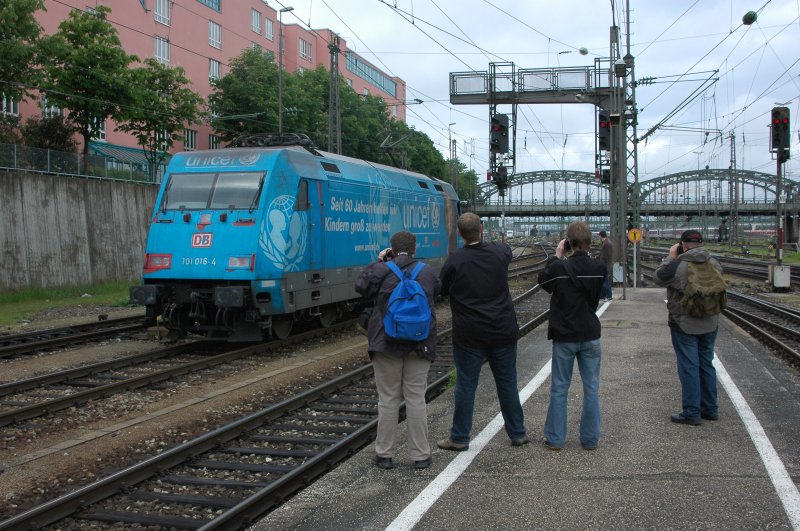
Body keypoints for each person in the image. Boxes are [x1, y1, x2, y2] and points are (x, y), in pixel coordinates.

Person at [437, 212, 529, 451]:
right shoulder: (499, 252)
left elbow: (442, 289)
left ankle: (459, 437)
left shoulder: (454, 261)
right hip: (502, 330)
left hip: (469, 335)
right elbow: (506, 250)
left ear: (459, 234)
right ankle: (517, 433)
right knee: (507, 383)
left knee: (467, 385)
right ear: (481, 229)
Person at [355, 231, 440, 470]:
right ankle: (421, 456)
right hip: (418, 343)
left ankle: (384, 454)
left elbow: (361, 286)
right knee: (416, 399)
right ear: (415, 248)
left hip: (386, 344)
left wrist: (380, 261)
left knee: (388, 400)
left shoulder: (382, 269)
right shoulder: (427, 271)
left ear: (391, 248)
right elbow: (438, 291)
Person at [537, 221, 606, 451]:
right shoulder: (599, 268)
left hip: (565, 336)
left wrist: (556, 256)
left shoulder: (559, 268)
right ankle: (590, 439)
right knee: (592, 388)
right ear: (590, 242)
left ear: (568, 242)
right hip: (590, 334)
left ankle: (555, 439)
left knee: (559, 388)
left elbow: (543, 282)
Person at [653, 229, 722, 425]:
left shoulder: (678, 265)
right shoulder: (714, 262)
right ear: (701, 243)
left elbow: (658, 277)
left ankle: (692, 412)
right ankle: (710, 409)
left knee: (689, 367)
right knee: (706, 363)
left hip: (684, 324)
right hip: (710, 322)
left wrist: (670, 257)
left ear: (683, 245)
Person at [598, 230, 614, 301]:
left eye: (599, 236)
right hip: (604, 265)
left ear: (601, 236)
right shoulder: (606, 243)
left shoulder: (607, 244)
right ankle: (603, 295)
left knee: (606, 281)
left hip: (606, 265)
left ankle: (608, 296)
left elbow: (607, 256)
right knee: (603, 281)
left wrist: (604, 264)